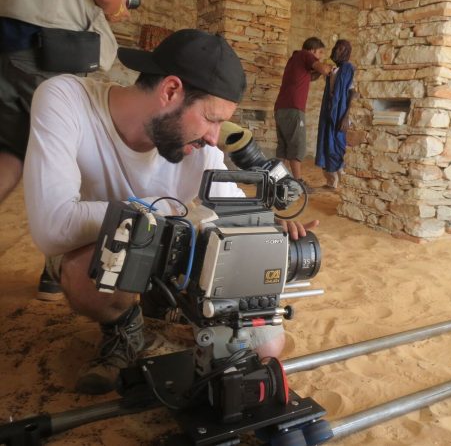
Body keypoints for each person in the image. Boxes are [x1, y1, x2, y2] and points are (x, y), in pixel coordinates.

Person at [23, 29, 317, 395]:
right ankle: (124, 324)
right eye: (211, 118)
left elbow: (228, 209)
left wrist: (266, 227)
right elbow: (52, 227)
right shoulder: (66, 100)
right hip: (98, 255)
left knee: (266, 348)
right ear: (171, 91)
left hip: (167, 254)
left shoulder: (200, 147)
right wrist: (160, 213)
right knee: (85, 274)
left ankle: (167, 301)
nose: (214, 137)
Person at [0, 0, 127, 301]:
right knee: (70, 152)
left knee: (9, 151)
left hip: (6, 36)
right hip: (50, 45)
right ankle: (55, 269)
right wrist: (117, 7)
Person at [274, 37, 332, 190]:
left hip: (281, 108)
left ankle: (275, 180)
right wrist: (329, 67)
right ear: (313, 50)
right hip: (293, 109)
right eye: (320, 52)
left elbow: (310, 76)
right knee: (297, 146)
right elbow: (323, 69)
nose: (320, 56)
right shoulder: (305, 55)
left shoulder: (295, 59)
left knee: (283, 148)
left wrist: (320, 71)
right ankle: (297, 182)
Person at [315, 40, 355, 190]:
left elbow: (352, 93)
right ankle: (331, 182)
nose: (337, 51)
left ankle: (345, 185)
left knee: (338, 145)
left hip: (340, 113)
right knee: (326, 143)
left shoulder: (348, 69)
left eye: (341, 49)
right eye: (336, 48)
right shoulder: (333, 71)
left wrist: (346, 116)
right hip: (329, 111)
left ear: (346, 53)